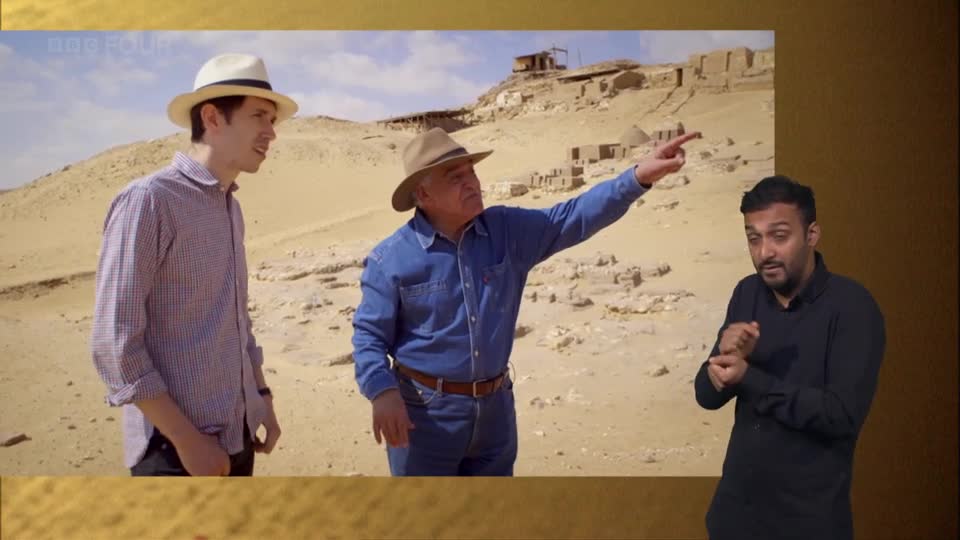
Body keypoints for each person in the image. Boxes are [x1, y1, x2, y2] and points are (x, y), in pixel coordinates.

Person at [352, 126, 700, 475]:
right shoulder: (390, 259)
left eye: (471, 172)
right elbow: (369, 336)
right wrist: (382, 392)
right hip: (424, 417)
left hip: (495, 412)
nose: (472, 183)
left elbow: (573, 216)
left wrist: (637, 178)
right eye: (455, 177)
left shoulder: (507, 230)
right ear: (423, 194)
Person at [90, 53, 299, 476]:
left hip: (236, 435)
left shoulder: (230, 206)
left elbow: (236, 320)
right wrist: (186, 441)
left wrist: (260, 397)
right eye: (259, 116)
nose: (271, 132)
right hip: (173, 451)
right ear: (212, 117)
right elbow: (114, 343)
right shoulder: (150, 201)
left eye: (273, 120)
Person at [694, 175, 886, 539]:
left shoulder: (852, 307)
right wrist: (722, 362)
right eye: (754, 238)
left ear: (812, 235)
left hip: (807, 525)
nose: (764, 252)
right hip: (732, 522)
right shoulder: (747, 292)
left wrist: (749, 377)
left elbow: (840, 416)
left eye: (779, 236)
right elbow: (706, 395)